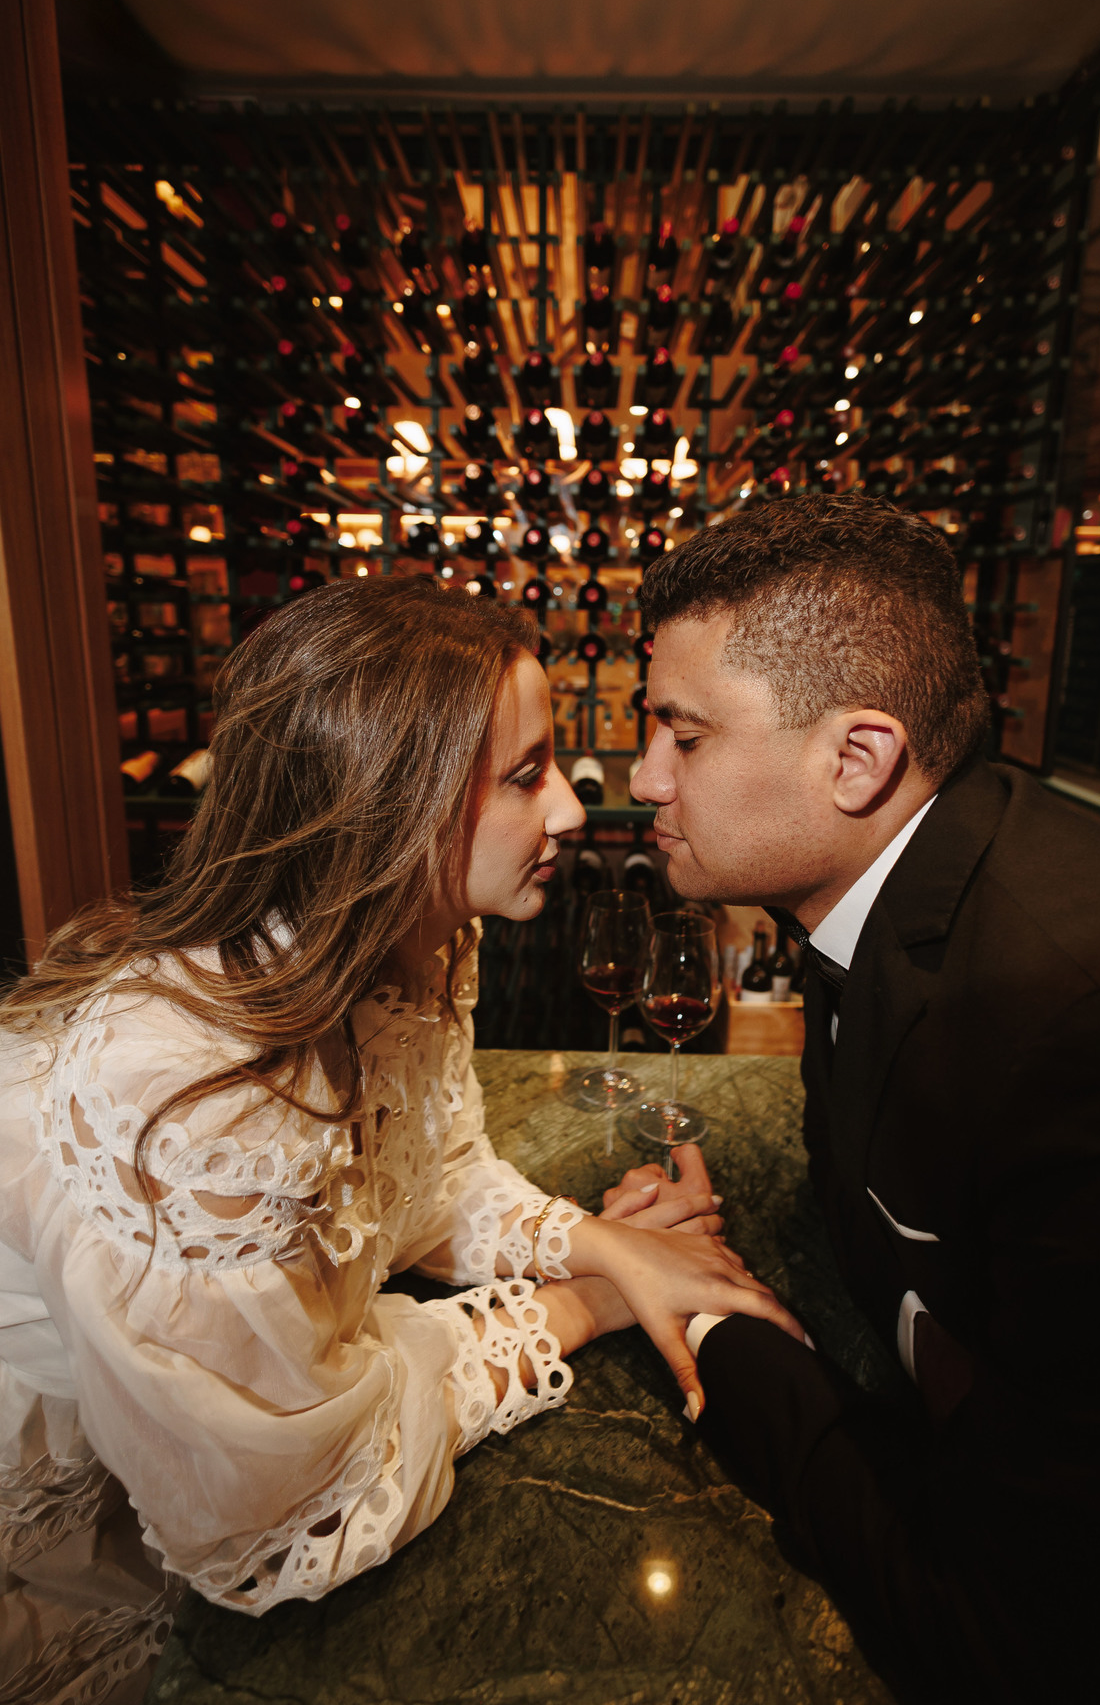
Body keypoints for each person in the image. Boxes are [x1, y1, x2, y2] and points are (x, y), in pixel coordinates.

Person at [0, 578, 802, 1705]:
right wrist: (590, 1305)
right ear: (385, 803)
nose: (572, 810)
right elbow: (282, 1509)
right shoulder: (197, 1102)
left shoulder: (415, 943)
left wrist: (602, 1243)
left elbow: (427, 1178)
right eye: (525, 775)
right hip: (68, 1517)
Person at [617, 495, 1100, 1704]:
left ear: (858, 759)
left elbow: (1017, 1636)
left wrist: (715, 1331)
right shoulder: (888, 886)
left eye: (685, 735)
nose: (642, 778)